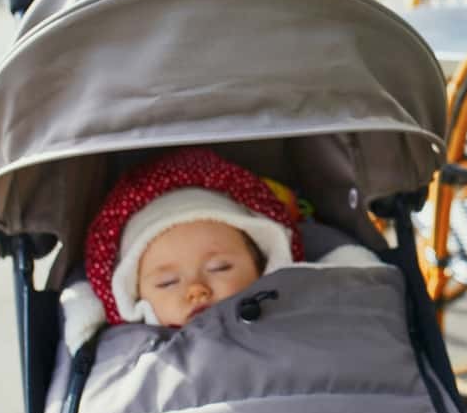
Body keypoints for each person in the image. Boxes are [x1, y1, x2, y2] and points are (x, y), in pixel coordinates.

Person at [60, 147, 376, 351]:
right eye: (168, 282)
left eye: (220, 268)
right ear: (134, 296)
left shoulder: (300, 304)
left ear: (261, 263)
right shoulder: (127, 350)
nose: (197, 290)